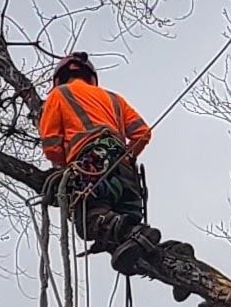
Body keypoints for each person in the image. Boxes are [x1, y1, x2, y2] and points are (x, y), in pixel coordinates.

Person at [39, 52, 153, 256]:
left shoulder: (59, 94)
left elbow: (52, 146)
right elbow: (142, 133)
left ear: (59, 78)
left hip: (91, 166)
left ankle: (128, 236)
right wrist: (126, 156)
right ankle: (162, 251)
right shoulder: (115, 99)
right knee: (131, 230)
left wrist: (68, 170)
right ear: (91, 77)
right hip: (125, 171)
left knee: (89, 218)